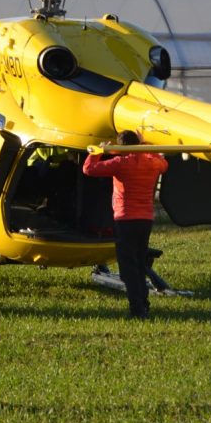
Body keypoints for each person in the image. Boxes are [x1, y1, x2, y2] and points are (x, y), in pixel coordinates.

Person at [81, 130, 168, 319]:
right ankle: (143, 303)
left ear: (120, 148)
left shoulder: (121, 164)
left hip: (125, 219)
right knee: (138, 263)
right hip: (146, 220)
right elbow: (163, 163)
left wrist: (97, 152)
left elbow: (88, 169)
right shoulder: (152, 162)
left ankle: (137, 309)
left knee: (128, 267)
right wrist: (145, 145)